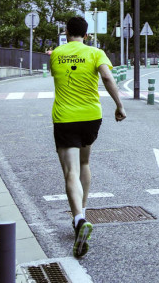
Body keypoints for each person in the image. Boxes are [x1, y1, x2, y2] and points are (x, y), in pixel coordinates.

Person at [50, 16, 126, 258]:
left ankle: (79, 220)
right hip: (91, 117)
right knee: (85, 163)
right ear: (86, 34)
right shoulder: (95, 53)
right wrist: (119, 105)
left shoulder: (56, 54)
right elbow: (106, 78)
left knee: (70, 170)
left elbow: (57, 74)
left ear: (65, 31)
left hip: (65, 118)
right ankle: (83, 210)